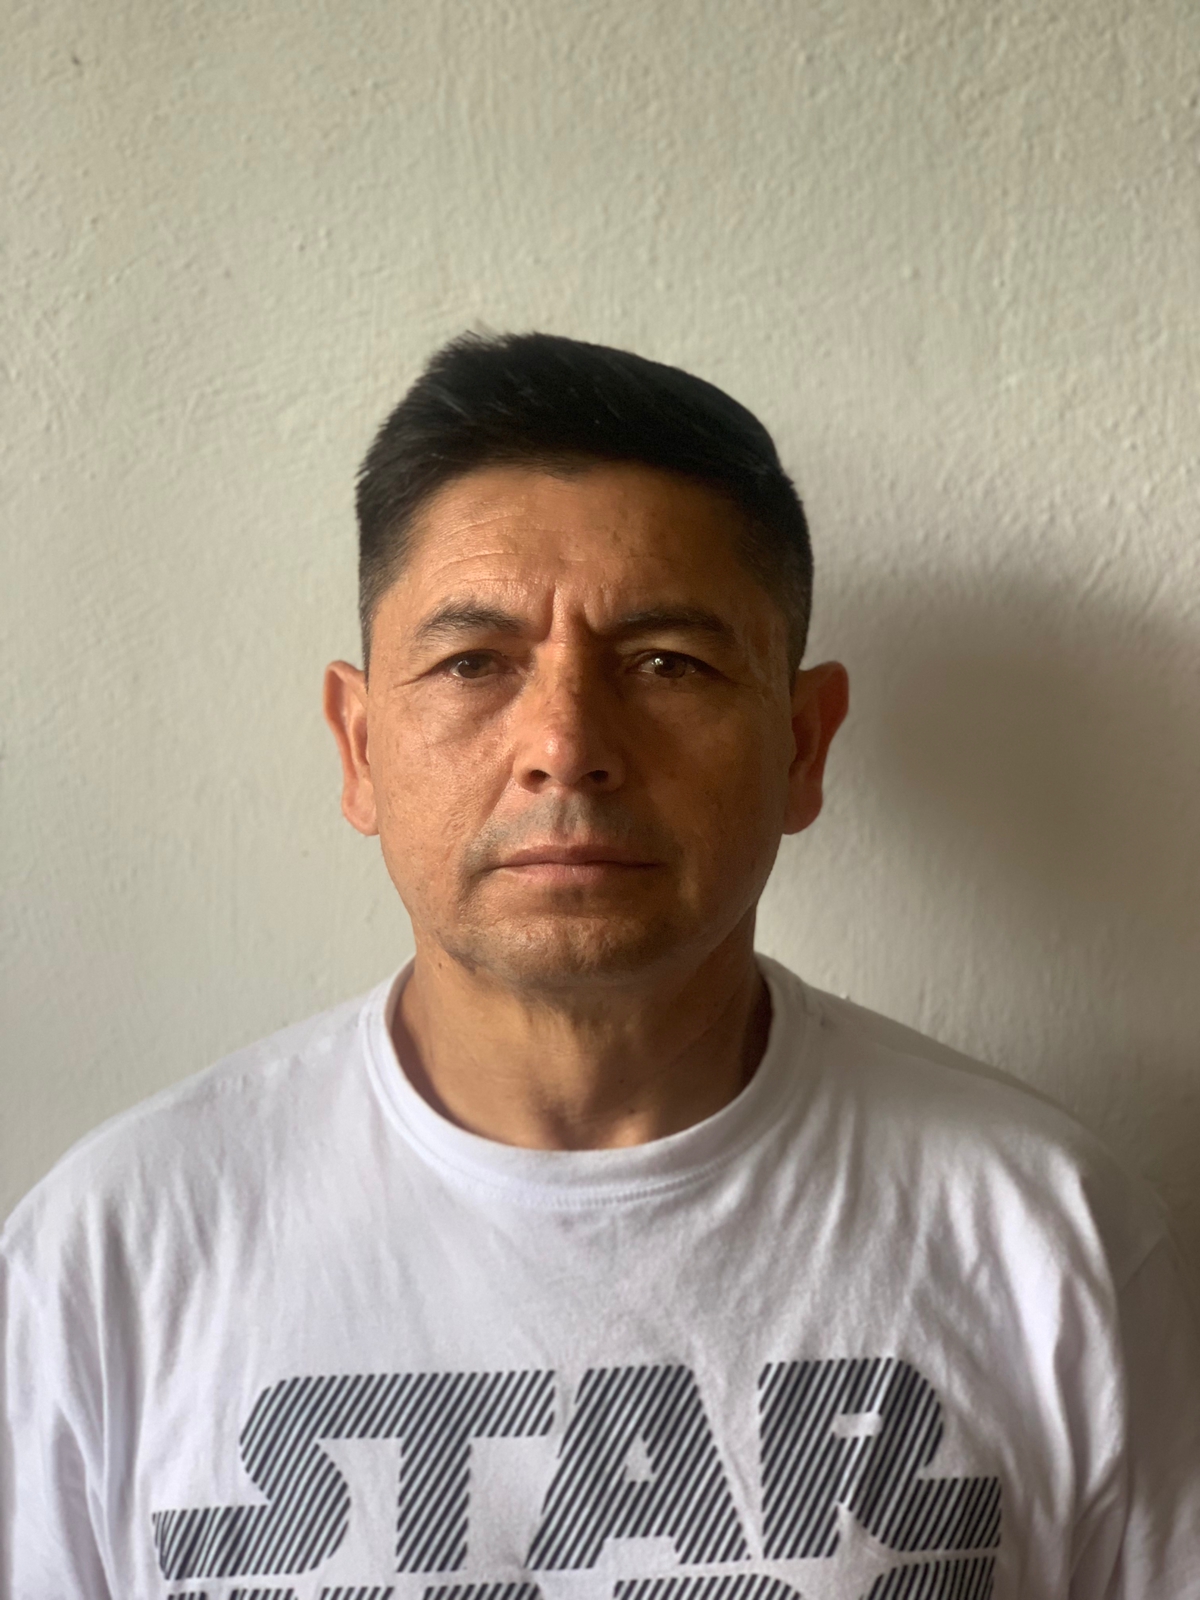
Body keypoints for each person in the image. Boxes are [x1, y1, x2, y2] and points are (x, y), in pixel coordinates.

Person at [3, 333, 1198, 1600]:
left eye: (666, 663)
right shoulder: (111, 1259)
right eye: (474, 662)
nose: (566, 744)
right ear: (359, 747)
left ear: (803, 745)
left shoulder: (1050, 1241)